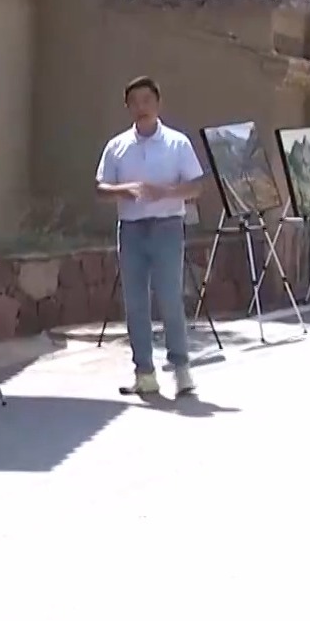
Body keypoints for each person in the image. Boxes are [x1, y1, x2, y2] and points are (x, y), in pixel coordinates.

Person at [94, 76, 206, 398]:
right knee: (135, 302)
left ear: (158, 103)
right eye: (135, 102)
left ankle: (181, 369)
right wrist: (124, 190)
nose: (141, 107)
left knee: (170, 297)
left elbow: (196, 186)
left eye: (147, 100)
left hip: (167, 226)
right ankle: (144, 372)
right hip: (131, 228)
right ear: (127, 107)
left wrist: (165, 192)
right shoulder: (117, 146)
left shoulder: (177, 143)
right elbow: (100, 189)